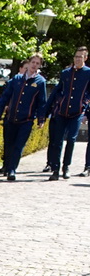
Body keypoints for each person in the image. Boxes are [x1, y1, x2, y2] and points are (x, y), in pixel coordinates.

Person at [0, 54, 47, 181]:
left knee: (18, 146)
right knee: (9, 144)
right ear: (29, 62)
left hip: (26, 120)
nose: (34, 65)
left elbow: (42, 102)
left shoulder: (40, 82)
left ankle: (12, 170)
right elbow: (6, 96)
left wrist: (41, 119)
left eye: (37, 63)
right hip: (11, 118)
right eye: (33, 62)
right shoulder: (16, 79)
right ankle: (7, 166)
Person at [43, 46, 90, 179]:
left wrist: (84, 104)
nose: (77, 59)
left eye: (80, 57)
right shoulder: (66, 73)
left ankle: (66, 166)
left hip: (77, 112)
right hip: (62, 111)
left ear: (85, 58)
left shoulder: (88, 73)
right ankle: (55, 169)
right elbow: (58, 90)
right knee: (57, 140)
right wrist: (51, 106)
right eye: (76, 57)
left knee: (71, 139)